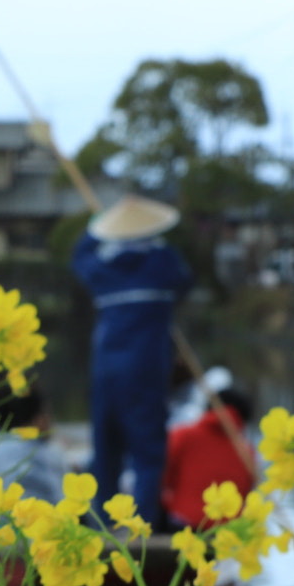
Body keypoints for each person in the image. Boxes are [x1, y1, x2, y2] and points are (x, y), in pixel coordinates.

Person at [70, 195, 192, 528]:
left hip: (106, 372)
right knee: (148, 452)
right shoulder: (163, 265)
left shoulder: (103, 271)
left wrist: (99, 227)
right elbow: (184, 281)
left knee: (105, 449)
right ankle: (142, 528)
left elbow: (79, 257)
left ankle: (102, 527)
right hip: (146, 372)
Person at [161, 386, 256, 530]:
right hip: (224, 532)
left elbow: (163, 479)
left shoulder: (183, 435)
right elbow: (244, 494)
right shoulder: (246, 451)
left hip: (180, 524)